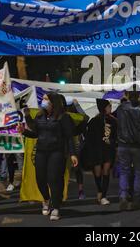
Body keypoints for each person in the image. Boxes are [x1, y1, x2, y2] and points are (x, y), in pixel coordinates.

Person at [18, 92, 78, 221]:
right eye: (43, 99)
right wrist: (24, 130)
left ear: (53, 102)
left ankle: (56, 207)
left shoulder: (63, 117)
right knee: (40, 179)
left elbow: (69, 137)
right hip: (41, 152)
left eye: (46, 99)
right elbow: (35, 133)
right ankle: (46, 199)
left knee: (54, 179)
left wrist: (73, 154)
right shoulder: (40, 116)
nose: (43, 101)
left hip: (57, 152)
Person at [85, 99, 117, 205]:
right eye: (109, 107)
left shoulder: (113, 120)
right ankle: (99, 190)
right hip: (96, 149)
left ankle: (104, 195)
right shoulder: (94, 121)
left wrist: (113, 144)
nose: (110, 109)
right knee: (98, 171)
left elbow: (115, 135)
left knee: (106, 170)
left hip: (108, 149)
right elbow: (89, 137)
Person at [65, 97, 89, 200]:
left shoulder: (62, 116)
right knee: (77, 169)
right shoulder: (78, 117)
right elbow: (86, 117)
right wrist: (78, 105)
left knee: (63, 169)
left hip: (65, 145)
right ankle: (80, 191)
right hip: (76, 144)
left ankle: (63, 191)